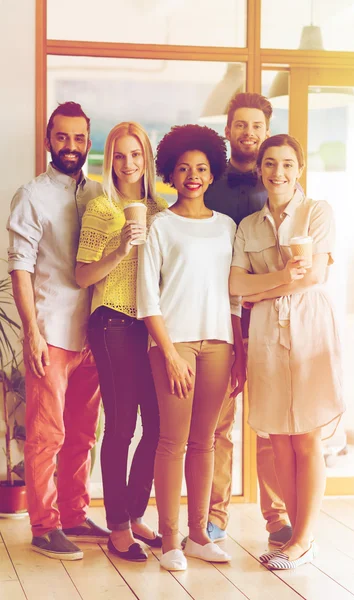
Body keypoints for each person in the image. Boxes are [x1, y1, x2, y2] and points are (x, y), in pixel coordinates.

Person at [230, 134, 345, 569]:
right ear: (259, 168)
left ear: (299, 170)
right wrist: (279, 278)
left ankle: (303, 538)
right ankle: (298, 540)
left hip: (310, 326)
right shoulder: (248, 227)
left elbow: (313, 277)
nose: (278, 173)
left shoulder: (318, 212)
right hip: (264, 332)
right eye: (271, 164)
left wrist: (265, 287)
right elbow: (236, 286)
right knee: (278, 435)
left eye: (287, 164)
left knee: (307, 435)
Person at [137, 124, 246, 571]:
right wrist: (168, 352)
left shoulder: (227, 227)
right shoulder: (160, 224)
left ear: (212, 172)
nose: (193, 176)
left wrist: (238, 349)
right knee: (171, 442)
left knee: (205, 443)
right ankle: (169, 542)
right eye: (184, 168)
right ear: (171, 173)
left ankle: (199, 534)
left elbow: (234, 295)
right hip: (173, 344)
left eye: (201, 168)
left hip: (219, 342)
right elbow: (147, 296)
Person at [7, 101, 110, 561]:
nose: (71, 146)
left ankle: (73, 514)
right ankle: (45, 525)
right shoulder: (31, 195)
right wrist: (30, 332)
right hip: (50, 329)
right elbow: (20, 267)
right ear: (49, 139)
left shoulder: (98, 196)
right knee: (47, 433)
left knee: (84, 433)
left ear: (89, 142)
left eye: (79, 138)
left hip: (94, 333)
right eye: (62, 137)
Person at [75, 122, 167, 561]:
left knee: (158, 425)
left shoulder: (160, 209)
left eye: (136, 155)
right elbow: (82, 276)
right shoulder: (102, 208)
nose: (128, 164)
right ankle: (116, 526)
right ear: (109, 159)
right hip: (111, 324)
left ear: (146, 158)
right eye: (119, 155)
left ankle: (134, 513)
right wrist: (119, 250)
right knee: (122, 426)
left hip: (149, 327)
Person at [204, 92, 291, 547]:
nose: (249, 133)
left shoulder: (278, 188)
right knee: (218, 425)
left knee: (270, 421)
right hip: (218, 320)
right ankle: (213, 518)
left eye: (257, 125)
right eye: (241, 125)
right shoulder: (209, 186)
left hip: (267, 320)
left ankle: (277, 519)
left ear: (266, 128)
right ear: (228, 130)